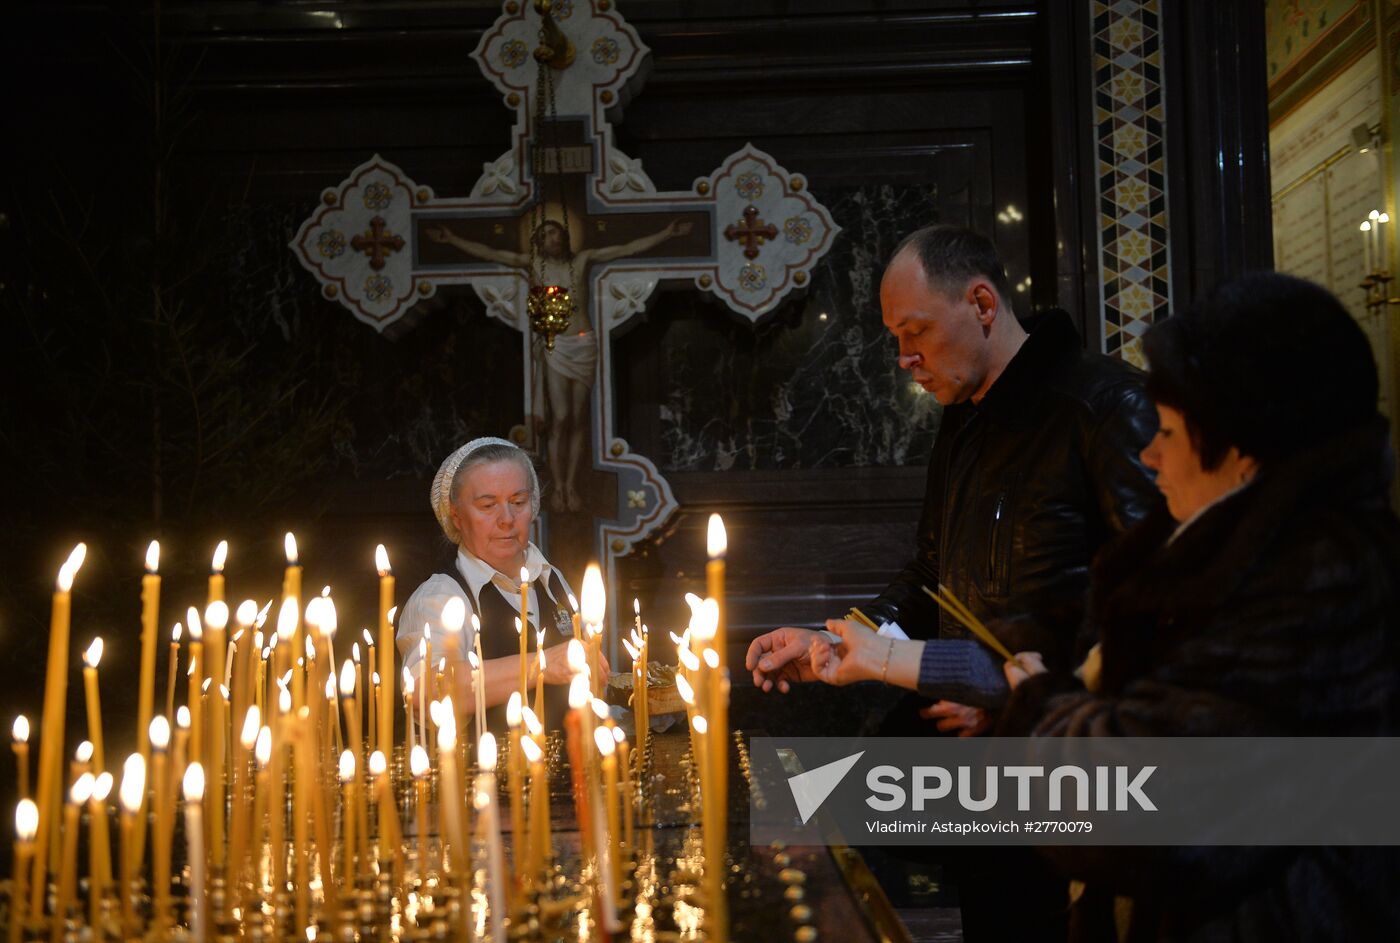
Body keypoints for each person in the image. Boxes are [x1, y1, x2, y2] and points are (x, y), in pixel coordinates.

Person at [807, 272, 1400, 939]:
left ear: (1241, 446)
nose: (1151, 452)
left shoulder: (1312, 579)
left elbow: (1153, 809)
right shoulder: (1241, 554)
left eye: (1171, 433)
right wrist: (883, 647)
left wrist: (1033, 709)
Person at [746, 224, 1161, 942]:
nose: (905, 359)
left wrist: (1023, 697)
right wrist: (841, 637)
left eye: (916, 333)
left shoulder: (1104, 406)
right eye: (894, 339)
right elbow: (930, 574)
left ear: (981, 302)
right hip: (971, 752)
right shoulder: (963, 421)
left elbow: (1148, 600)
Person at [426, 219, 694, 512]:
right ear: (538, 242)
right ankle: (559, 486)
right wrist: (452, 238)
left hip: (585, 344)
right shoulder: (533, 265)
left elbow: (626, 248)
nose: (550, 238)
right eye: (544, 234)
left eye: (554, 232)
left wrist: (666, 231)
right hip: (556, 347)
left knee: (579, 418)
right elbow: (491, 253)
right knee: (560, 417)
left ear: (565, 236)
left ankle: (571, 486)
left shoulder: (582, 261)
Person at [396, 436, 609, 733]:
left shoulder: (551, 579)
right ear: (456, 515)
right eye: (487, 505)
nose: (507, 519)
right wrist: (541, 664)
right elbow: (426, 689)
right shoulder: (441, 596)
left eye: (518, 502)